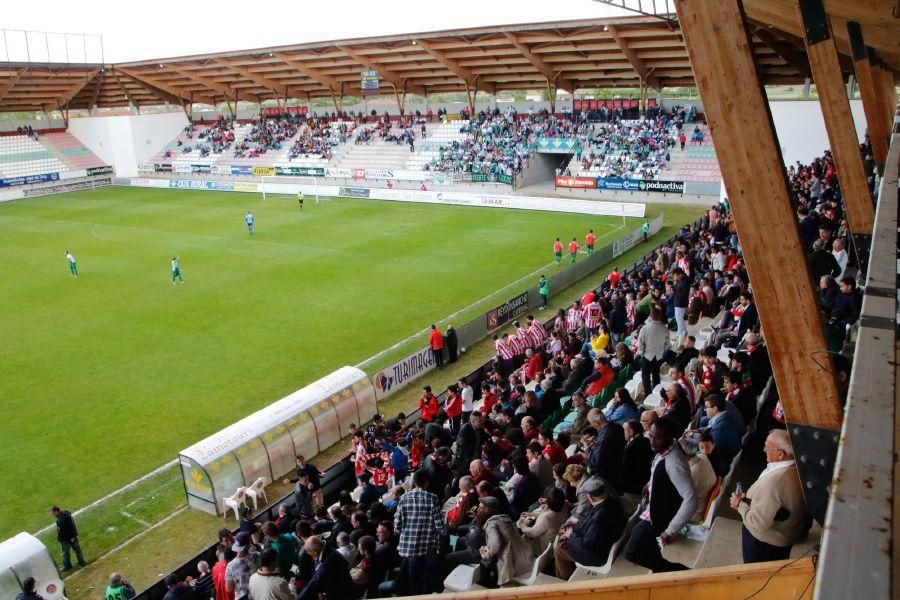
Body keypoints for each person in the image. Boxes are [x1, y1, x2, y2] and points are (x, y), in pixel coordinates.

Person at [623, 419, 696, 572]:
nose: (652, 441)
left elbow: (691, 499)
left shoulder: (674, 463)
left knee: (631, 552)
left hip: (659, 517)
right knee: (646, 548)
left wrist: (671, 530)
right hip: (654, 506)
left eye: (658, 437)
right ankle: (660, 571)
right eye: (651, 436)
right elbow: (658, 467)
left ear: (669, 437)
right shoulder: (666, 449)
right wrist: (651, 483)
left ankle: (678, 572)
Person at [731, 430, 808, 563]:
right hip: (785, 533)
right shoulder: (796, 467)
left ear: (780, 454)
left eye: (767, 447)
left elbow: (758, 523)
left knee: (755, 574)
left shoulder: (773, 483)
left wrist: (739, 505)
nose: (764, 449)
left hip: (765, 543)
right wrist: (749, 498)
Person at [553, 482, 627, 580]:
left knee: (558, 550)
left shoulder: (600, 517)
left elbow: (588, 544)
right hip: (605, 544)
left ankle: (564, 579)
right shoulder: (613, 502)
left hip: (596, 556)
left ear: (591, 498)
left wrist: (571, 536)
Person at [393, 469, 445, 595]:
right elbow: (439, 525)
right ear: (427, 483)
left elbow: (397, 524)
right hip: (428, 546)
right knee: (428, 575)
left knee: (413, 575)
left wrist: (397, 531)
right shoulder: (433, 498)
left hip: (410, 547)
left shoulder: (404, 498)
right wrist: (444, 532)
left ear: (414, 482)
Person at [480, 497, 535, 587]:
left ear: (487, 510)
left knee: (484, 563)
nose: (478, 510)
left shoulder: (491, 523)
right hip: (525, 556)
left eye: (480, 508)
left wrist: (484, 553)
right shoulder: (505, 517)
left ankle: (488, 587)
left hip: (514, 563)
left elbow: (495, 545)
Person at [519, 487, 570, 556]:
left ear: (549, 501)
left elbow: (532, 533)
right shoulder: (563, 504)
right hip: (556, 539)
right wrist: (531, 514)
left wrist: (522, 525)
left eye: (545, 498)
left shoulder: (546, 517)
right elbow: (548, 511)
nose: (543, 499)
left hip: (544, 548)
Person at [638, 309, 671, 398]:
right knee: (656, 375)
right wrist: (662, 352)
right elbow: (668, 345)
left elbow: (640, 344)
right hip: (659, 356)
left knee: (645, 377)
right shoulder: (665, 328)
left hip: (647, 356)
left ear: (650, 317)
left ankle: (648, 395)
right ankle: (657, 393)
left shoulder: (644, 328)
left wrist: (641, 354)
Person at [225, 532, 259, 600]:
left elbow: (228, 589)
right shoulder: (257, 556)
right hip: (258, 594)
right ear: (249, 544)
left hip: (242, 597)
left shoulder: (230, 566)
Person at [51, 506, 85, 571]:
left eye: (53, 513)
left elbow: (61, 531)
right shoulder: (66, 513)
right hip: (73, 536)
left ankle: (67, 566)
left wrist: (60, 539)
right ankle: (81, 562)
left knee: (65, 553)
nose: (53, 515)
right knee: (78, 550)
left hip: (66, 539)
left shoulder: (60, 520)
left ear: (56, 511)